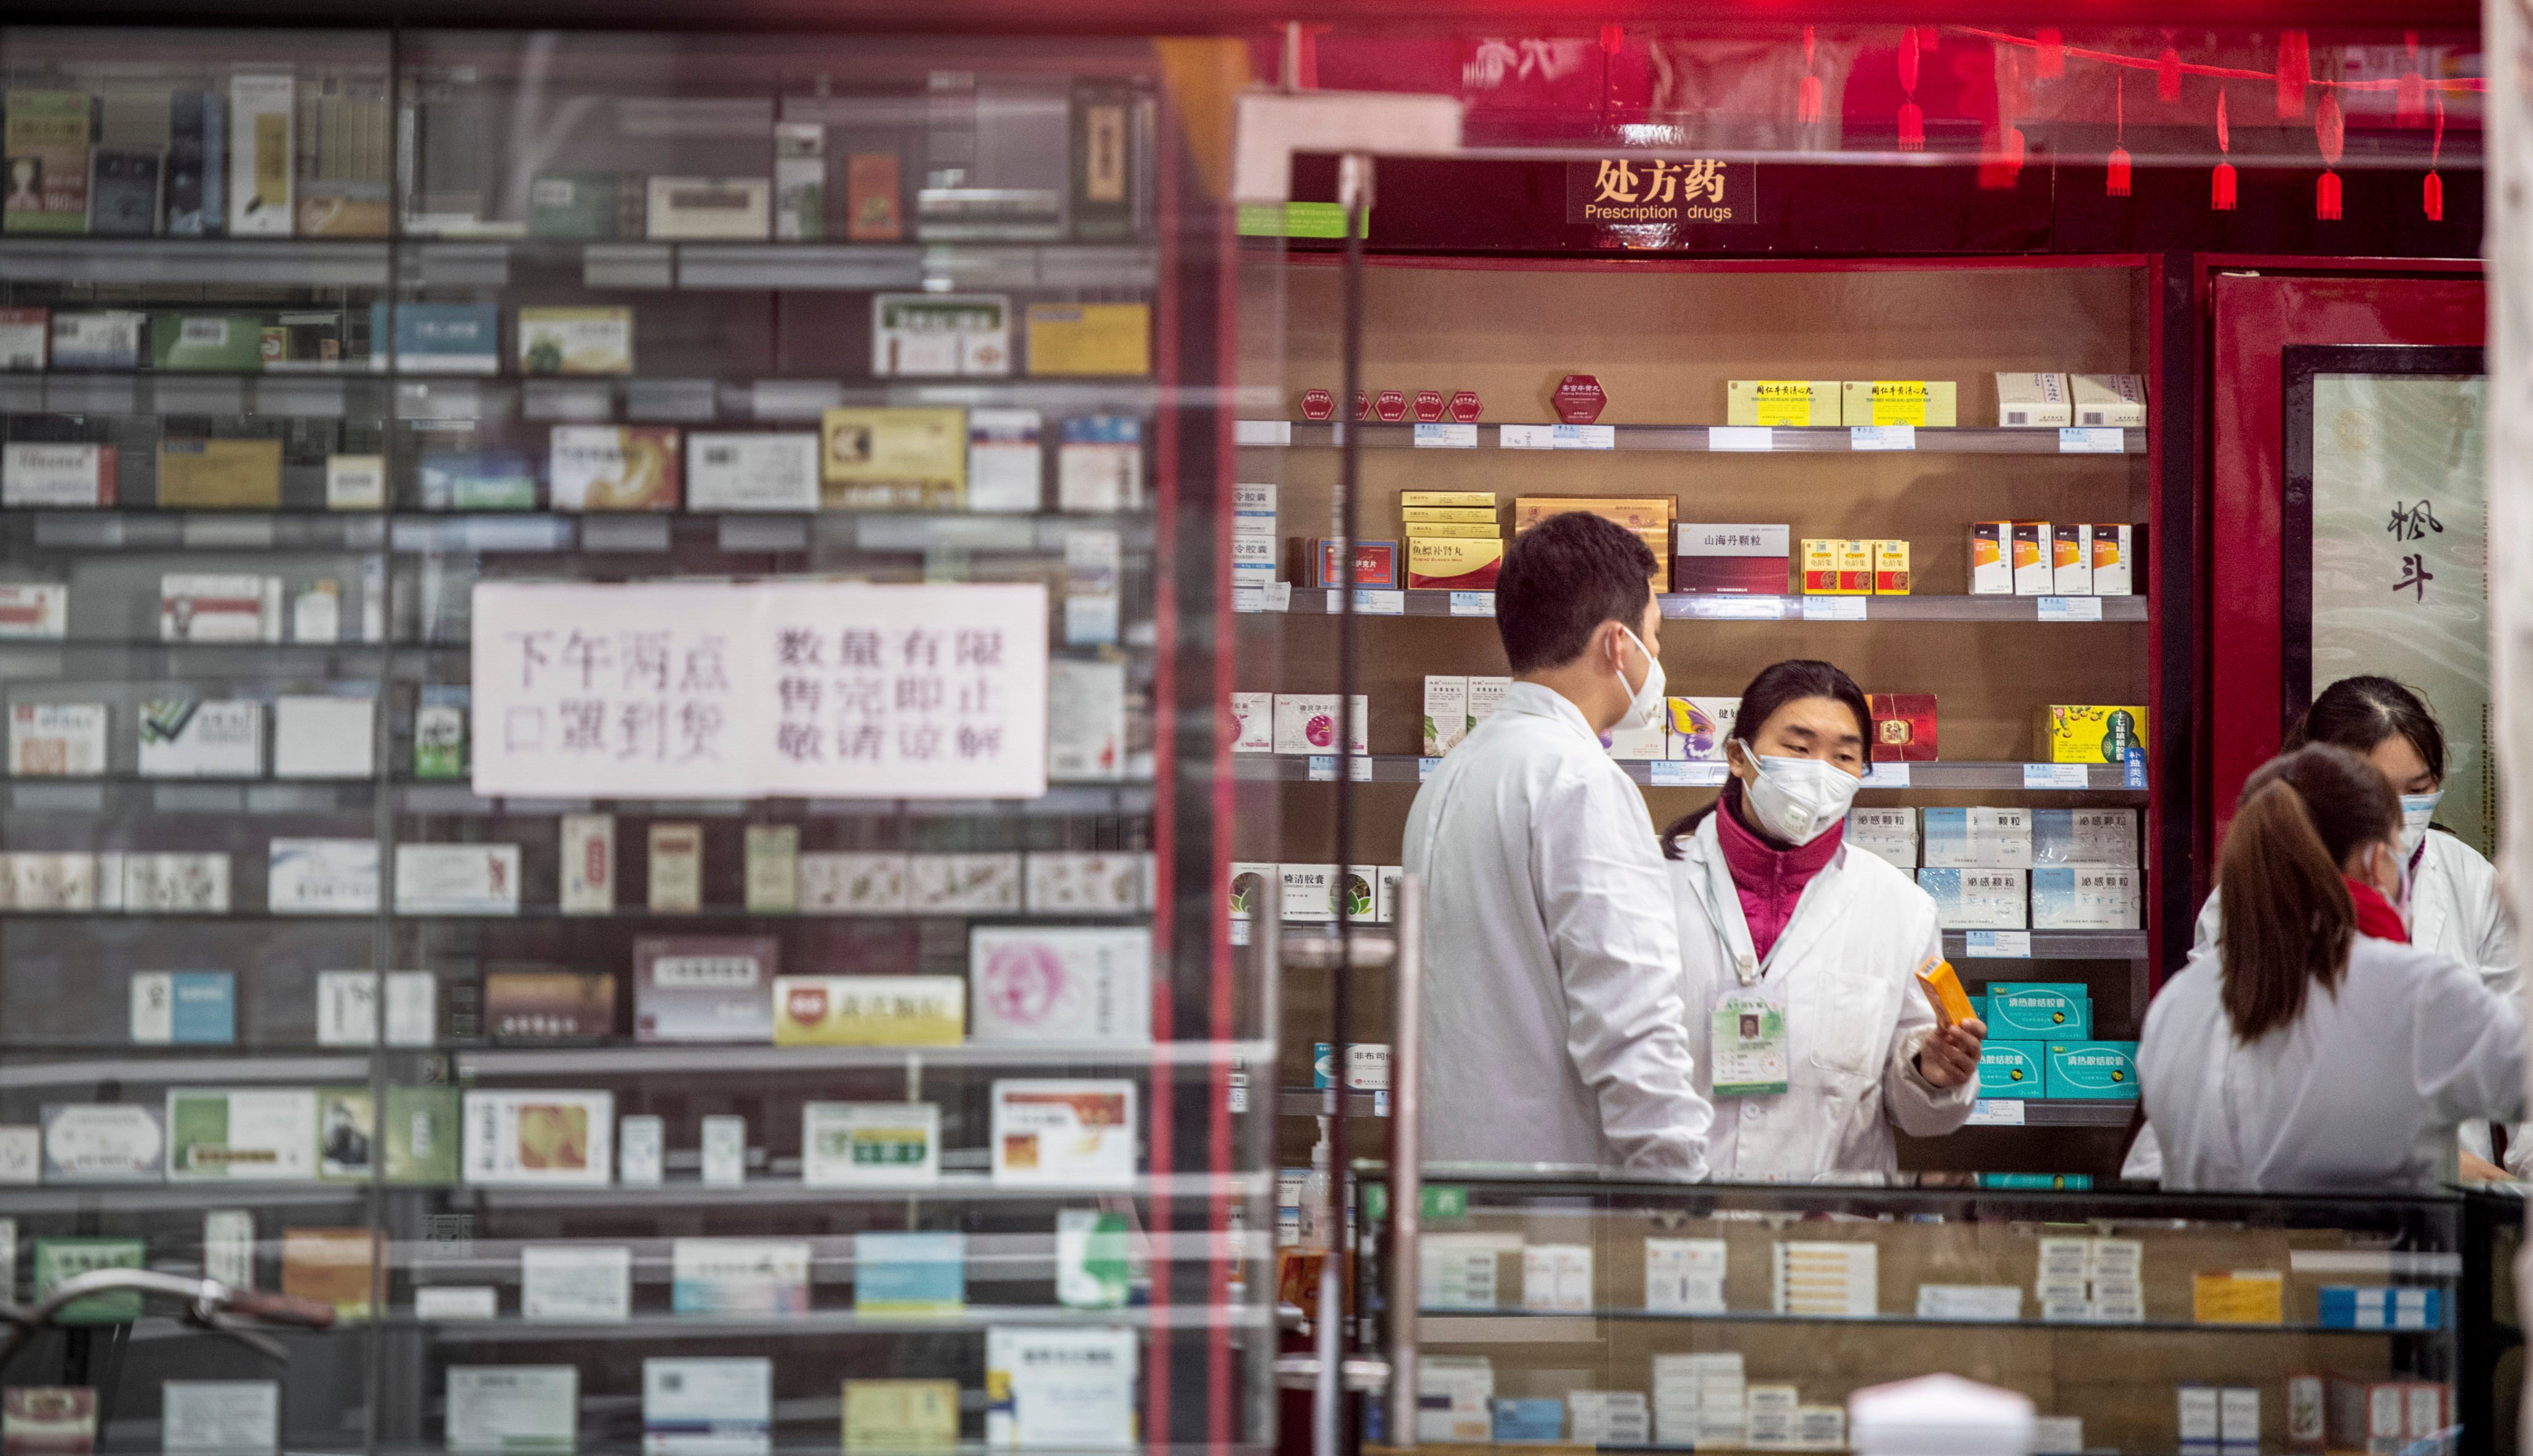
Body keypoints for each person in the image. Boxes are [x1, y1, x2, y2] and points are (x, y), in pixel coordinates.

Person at [1405, 512, 1713, 1175]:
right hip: (1557, 1206)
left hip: (1452, 1184)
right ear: (1616, 644)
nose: (1658, 660)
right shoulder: (1581, 782)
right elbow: (1631, 1021)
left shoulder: (1454, 774)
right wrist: (1680, 1197)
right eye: (1654, 639)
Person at [2125, 675, 2520, 1178]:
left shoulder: (2178, 1008)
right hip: (2376, 1231)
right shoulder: (2415, 988)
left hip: (2263, 1240)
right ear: (2378, 863)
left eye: (2419, 790)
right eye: (2383, 793)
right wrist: (2446, 1167)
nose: (2405, 812)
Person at [1658, 660, 1984, 1178]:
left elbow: (1917, 1113)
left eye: (1844, 756)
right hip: (1674, 1212)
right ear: (1738, 757)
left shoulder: (1898, 908)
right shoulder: (1650, 885)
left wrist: (1930, 1073)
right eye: (1798, 747)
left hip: (1825, 1229)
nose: (1820, 771)